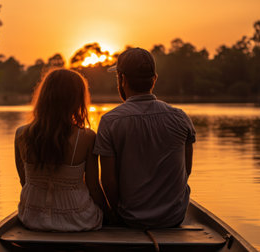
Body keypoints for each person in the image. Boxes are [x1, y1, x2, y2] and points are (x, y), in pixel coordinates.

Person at [93, 48, 196, 229]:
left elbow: (108, 181)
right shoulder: (181, 118)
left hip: (129, 218)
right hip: (174, 218)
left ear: (122, 79)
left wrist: (116, 214)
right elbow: (186, 170)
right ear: (154, 79)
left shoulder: (110, 122)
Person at [14, 68, 107, 231]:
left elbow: (25, 182)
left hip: (32, 217)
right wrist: (109, 213)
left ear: (44, 97)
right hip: (77, 220)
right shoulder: (87, 137)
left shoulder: (21, 134)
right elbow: (93, 187)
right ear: (76, 100)